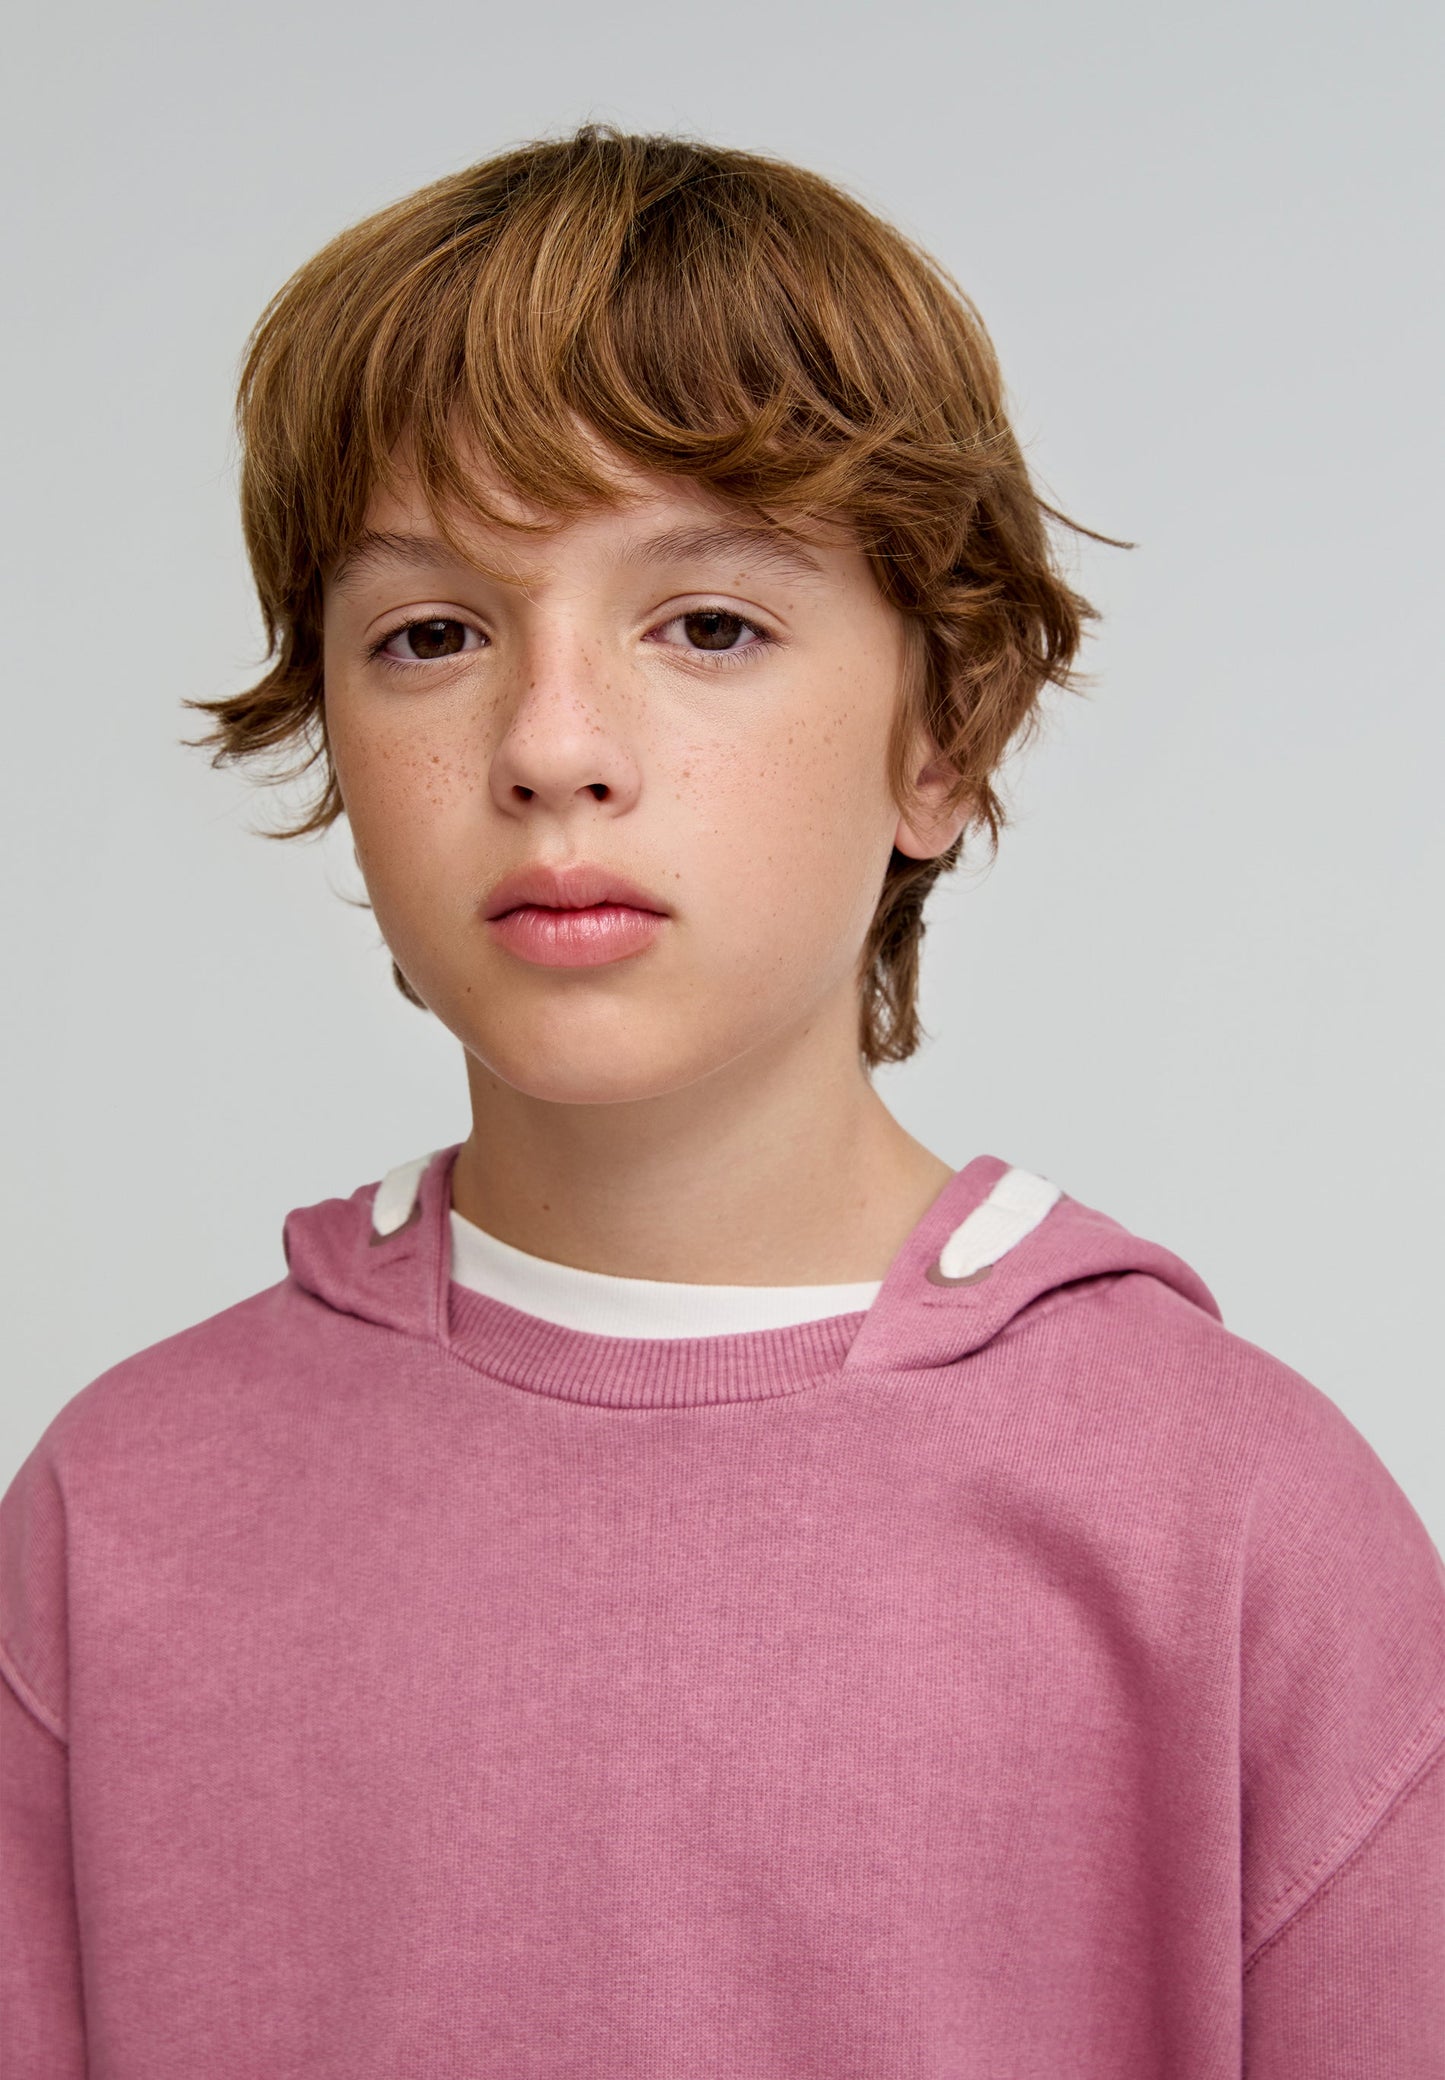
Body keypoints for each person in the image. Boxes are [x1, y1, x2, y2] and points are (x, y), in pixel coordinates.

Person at [2, 125, 1441, 2079]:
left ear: (944, 733)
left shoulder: (1241, 1521)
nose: (552, 746)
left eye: (707, 625)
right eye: (432, 634)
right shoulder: (117, 1511)